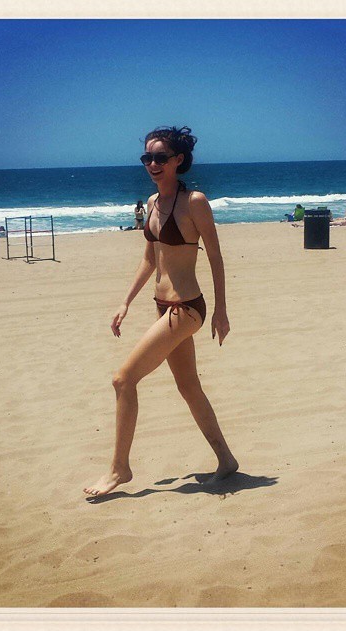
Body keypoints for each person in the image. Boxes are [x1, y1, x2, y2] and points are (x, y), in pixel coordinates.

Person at [83, 126, 238, 497]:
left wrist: (221, 310)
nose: (152, 164)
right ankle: (226, 460)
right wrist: (125, 301)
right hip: (162, 307)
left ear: (178, 160)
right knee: (189, 387)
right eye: (147, 157)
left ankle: (119, 470)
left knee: (123, 379)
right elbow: (150, 260)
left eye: (160, 157)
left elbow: (215, 256)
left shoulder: (195, 201)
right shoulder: (152, 203)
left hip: (186, 308)